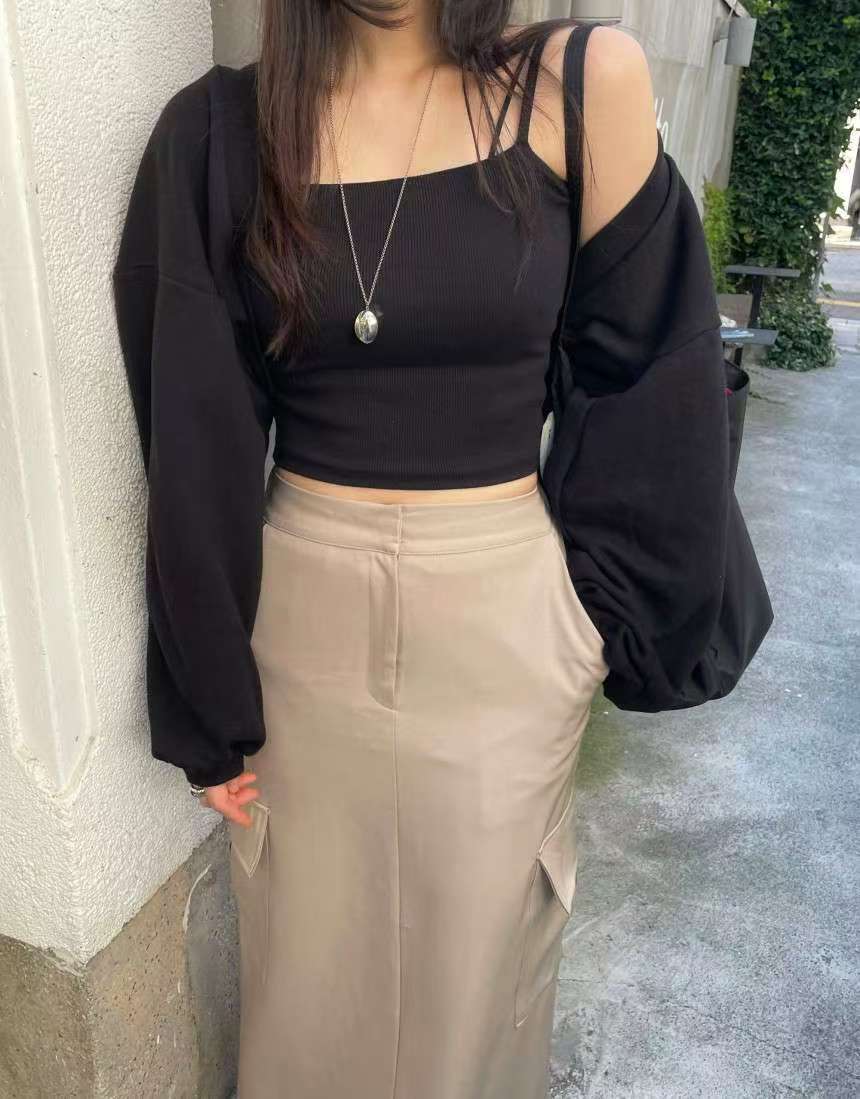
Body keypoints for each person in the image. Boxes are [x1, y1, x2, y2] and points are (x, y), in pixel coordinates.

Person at [112, 4, 697, 1097]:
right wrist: (209, 713)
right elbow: (193, 432)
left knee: (481, 987)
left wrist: (596, 624)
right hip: (302, 623)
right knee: (306, 983)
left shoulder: (575, 86)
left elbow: (648, 378)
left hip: (505, 616)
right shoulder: (220, 134)